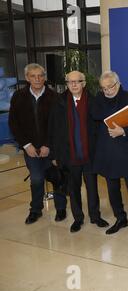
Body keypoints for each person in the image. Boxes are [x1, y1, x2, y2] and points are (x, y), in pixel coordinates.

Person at [48, 71, 108, 233]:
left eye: (77, 81)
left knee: (92, 188)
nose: (74, 85)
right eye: (70, 82)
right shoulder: (59, 103)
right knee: (73, 188)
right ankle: (78, 218)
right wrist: (54, 155)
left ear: (84, 83)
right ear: (66, 84)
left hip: (89, 154)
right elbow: (53, 130)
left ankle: (95, 216)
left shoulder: (93, 102)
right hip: (69, 155)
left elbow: (100, 128)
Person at [8, 63, 67, 224]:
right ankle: (35, 210)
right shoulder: (18, 97)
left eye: (40, 75)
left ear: (45, 77)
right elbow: (14, 124)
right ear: (27, 78)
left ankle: (61, 208)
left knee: (57, 178)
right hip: (31, 149)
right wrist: (26, 145)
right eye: (33, 76)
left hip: (51, 148)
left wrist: (49, 145)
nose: (37, 79)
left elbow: (59, 125)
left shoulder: (54, 97)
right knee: (36, 179)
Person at [92, 71, 128, 236]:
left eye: (110, 87)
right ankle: (120, 218)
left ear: (118, 84)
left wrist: (123, 131)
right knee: (112, 189)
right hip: (108, 152)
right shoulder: (98, 99)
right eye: (104, 88)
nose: (107, 91)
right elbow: (94, 115)